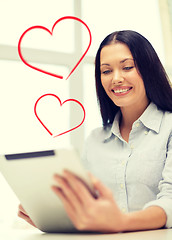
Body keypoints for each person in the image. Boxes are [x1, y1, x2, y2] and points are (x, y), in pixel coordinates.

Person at [18, 30, 172, 233]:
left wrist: (120, 222)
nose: (116, 78)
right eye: (106, 71)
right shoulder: (95, 140)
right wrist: (52, 218)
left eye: (127, 67)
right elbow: (87, 207)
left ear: (148, 69)